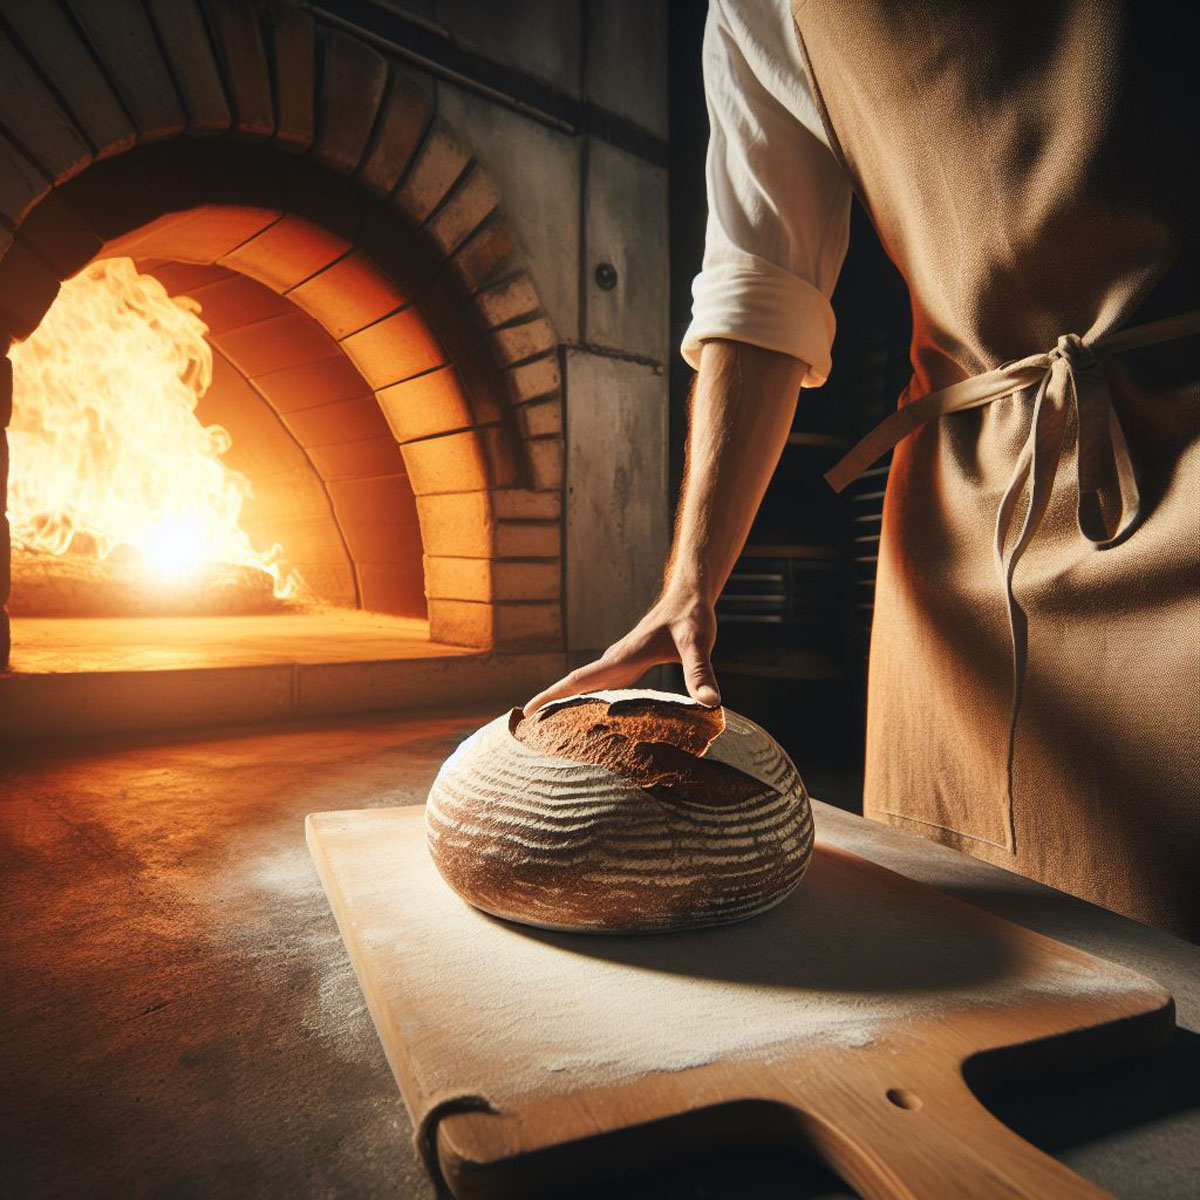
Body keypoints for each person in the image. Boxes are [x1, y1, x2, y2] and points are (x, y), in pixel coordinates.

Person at [526, 0, 1200, 938]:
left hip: (1182, 470)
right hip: (959, 534)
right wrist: (690, 583)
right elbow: (763, 292)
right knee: (946, 941)